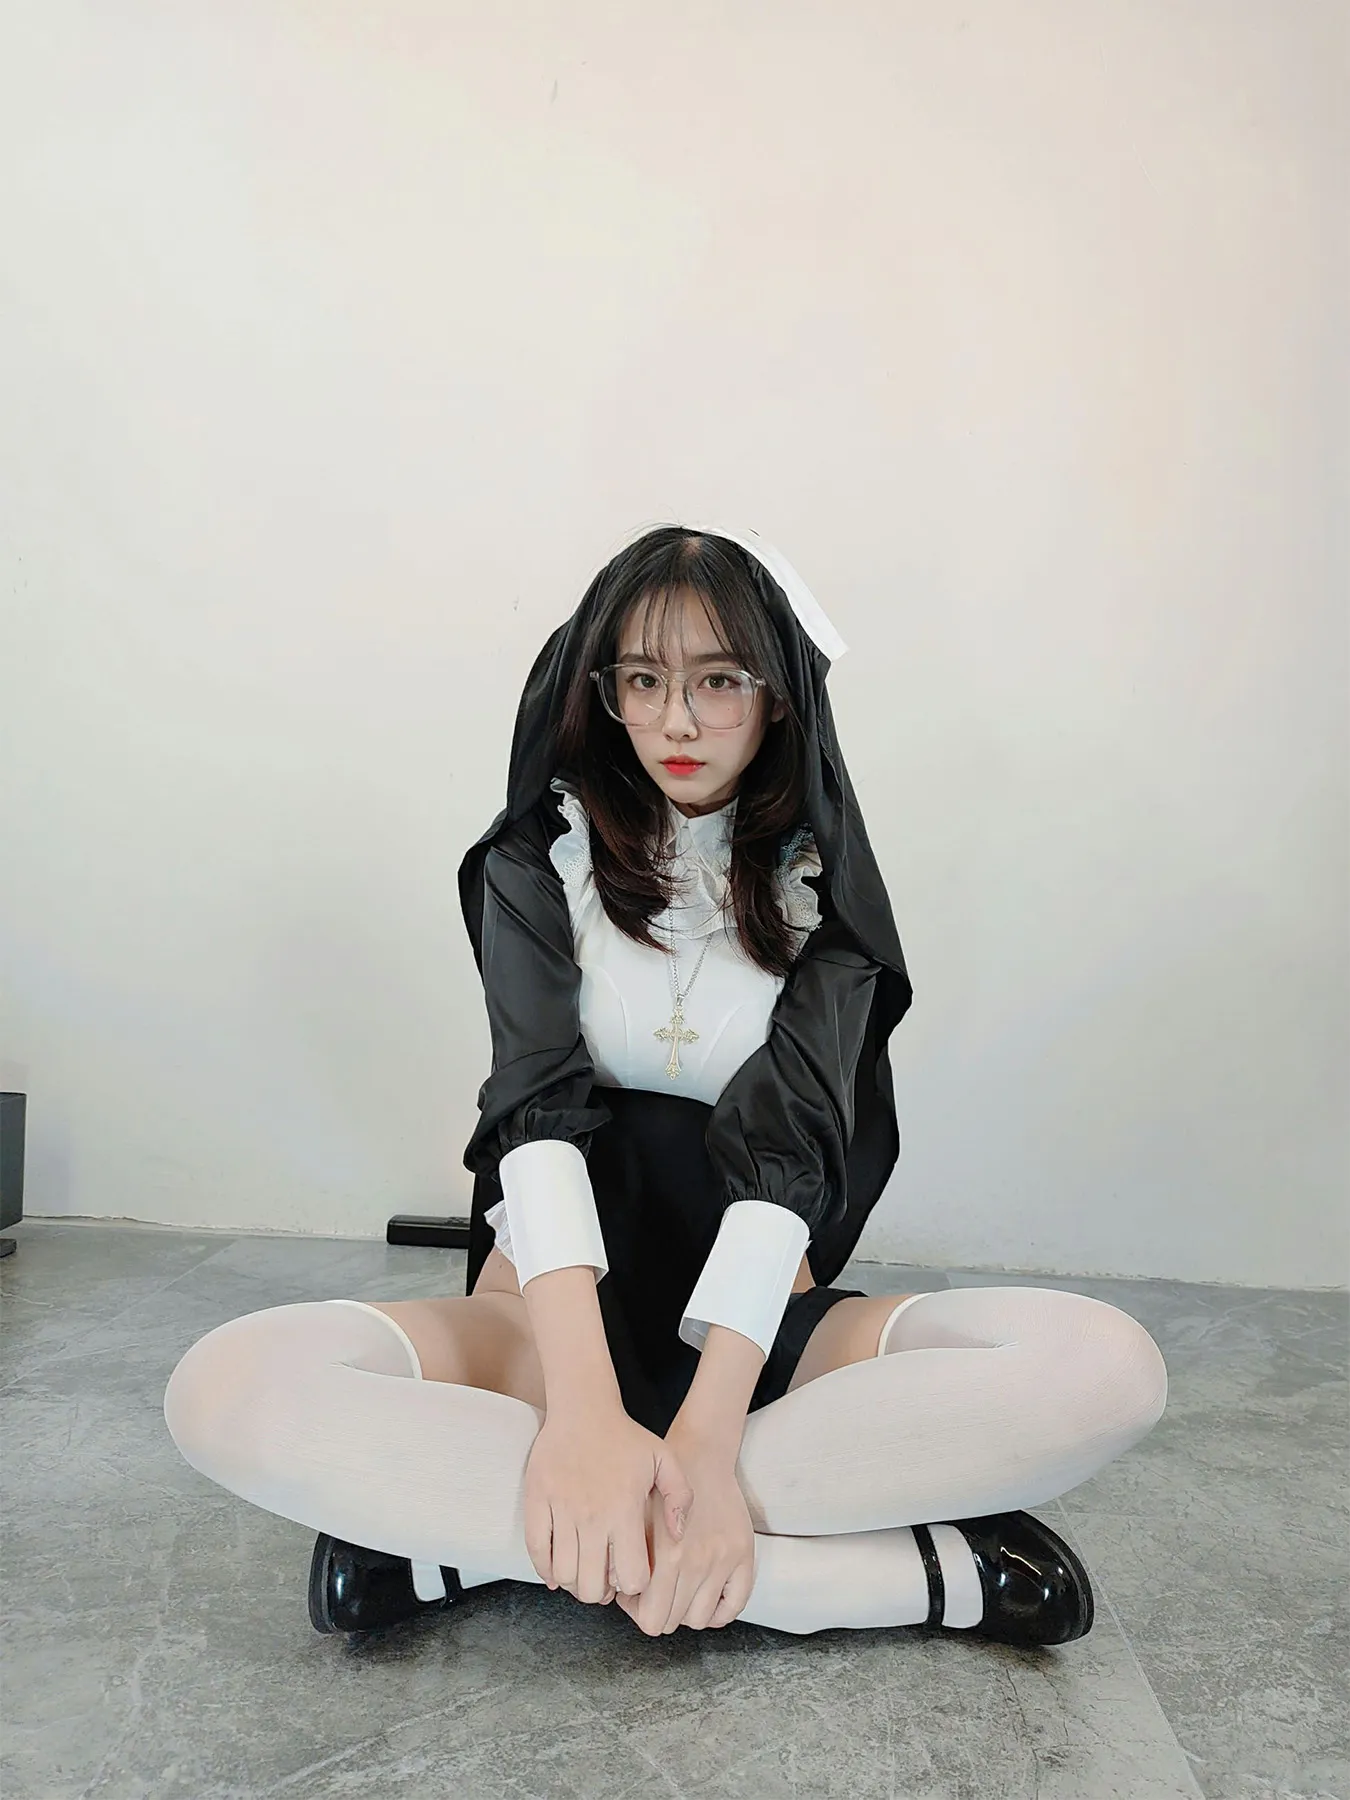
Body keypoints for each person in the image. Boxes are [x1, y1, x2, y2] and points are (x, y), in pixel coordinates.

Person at [164, 524, 1167, 1644]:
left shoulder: (825, 898)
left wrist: (704, 1437)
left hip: (752, 1331)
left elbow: (788, 1165)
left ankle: (473, 1553)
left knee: (1106, 1369)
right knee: (223, 1389)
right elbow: (535, 1122)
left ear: (777, 695)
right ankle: (916, 1575)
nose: (678, 721)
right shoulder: (535, 860)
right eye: (643, 681)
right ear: (605, 691)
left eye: (718, 681)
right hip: (544, 1326)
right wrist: (584, 1415)